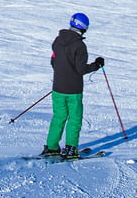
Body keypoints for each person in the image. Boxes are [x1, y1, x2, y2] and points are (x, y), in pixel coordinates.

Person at [42, 12, 104, 158]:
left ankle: (51, 147)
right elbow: (81, 69)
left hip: (57, 88)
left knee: (58, 117)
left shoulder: (57, 41)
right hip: (73, 90)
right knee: (74, 119)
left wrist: (62, 76)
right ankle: (70, 148)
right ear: (84, 28)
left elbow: (53, 62)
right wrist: (96, 65)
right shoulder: (79, 45)